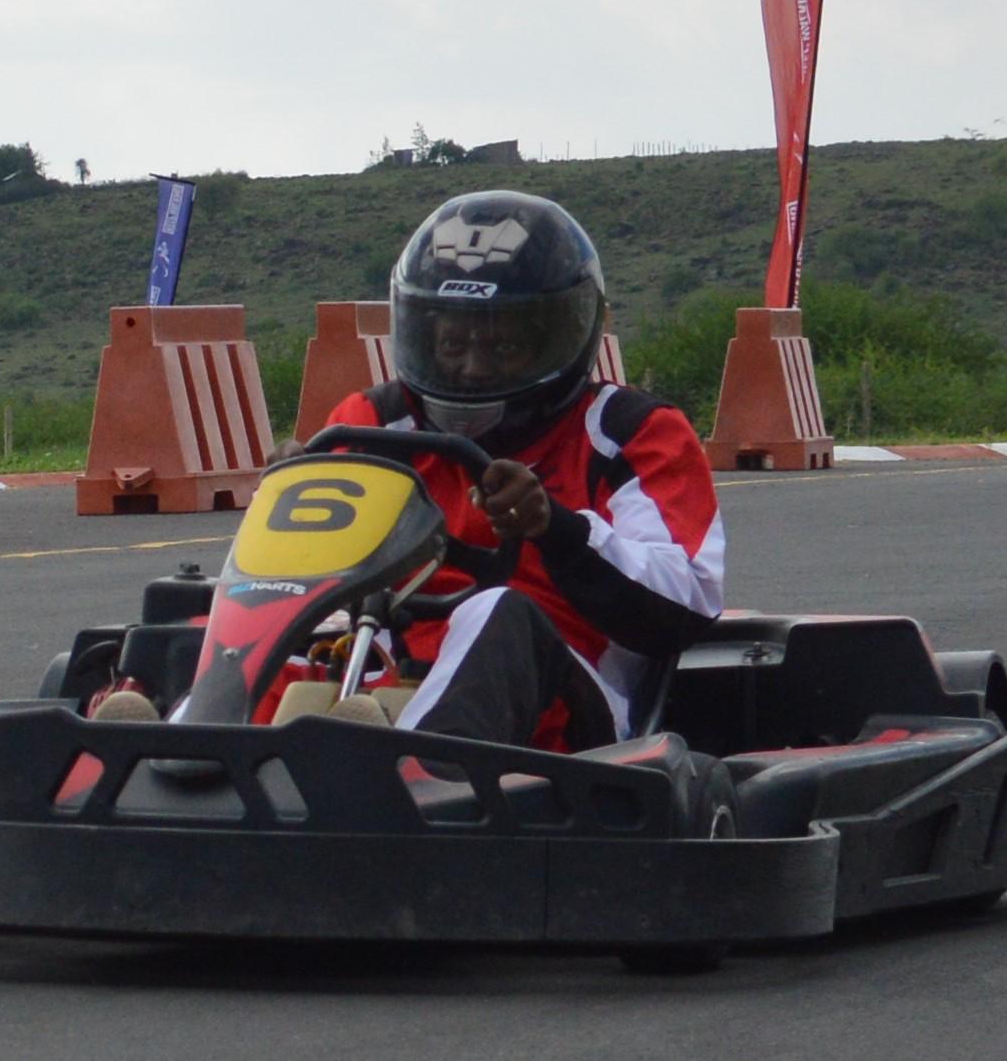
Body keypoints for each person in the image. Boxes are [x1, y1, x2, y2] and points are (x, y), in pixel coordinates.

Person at [301, 189, 728, 747]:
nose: (473, 369)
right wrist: (294, 498)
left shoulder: (630, 431)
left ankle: (412, 772)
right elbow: (309, 582)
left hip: (564, 709)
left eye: (502, 348)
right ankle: (179, 756)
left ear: (558, 338)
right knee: (203, 630)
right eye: (453, 343)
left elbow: (687, 600)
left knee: (496, 612)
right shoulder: (374, 425)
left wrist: (558, 528)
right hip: (376, 674)